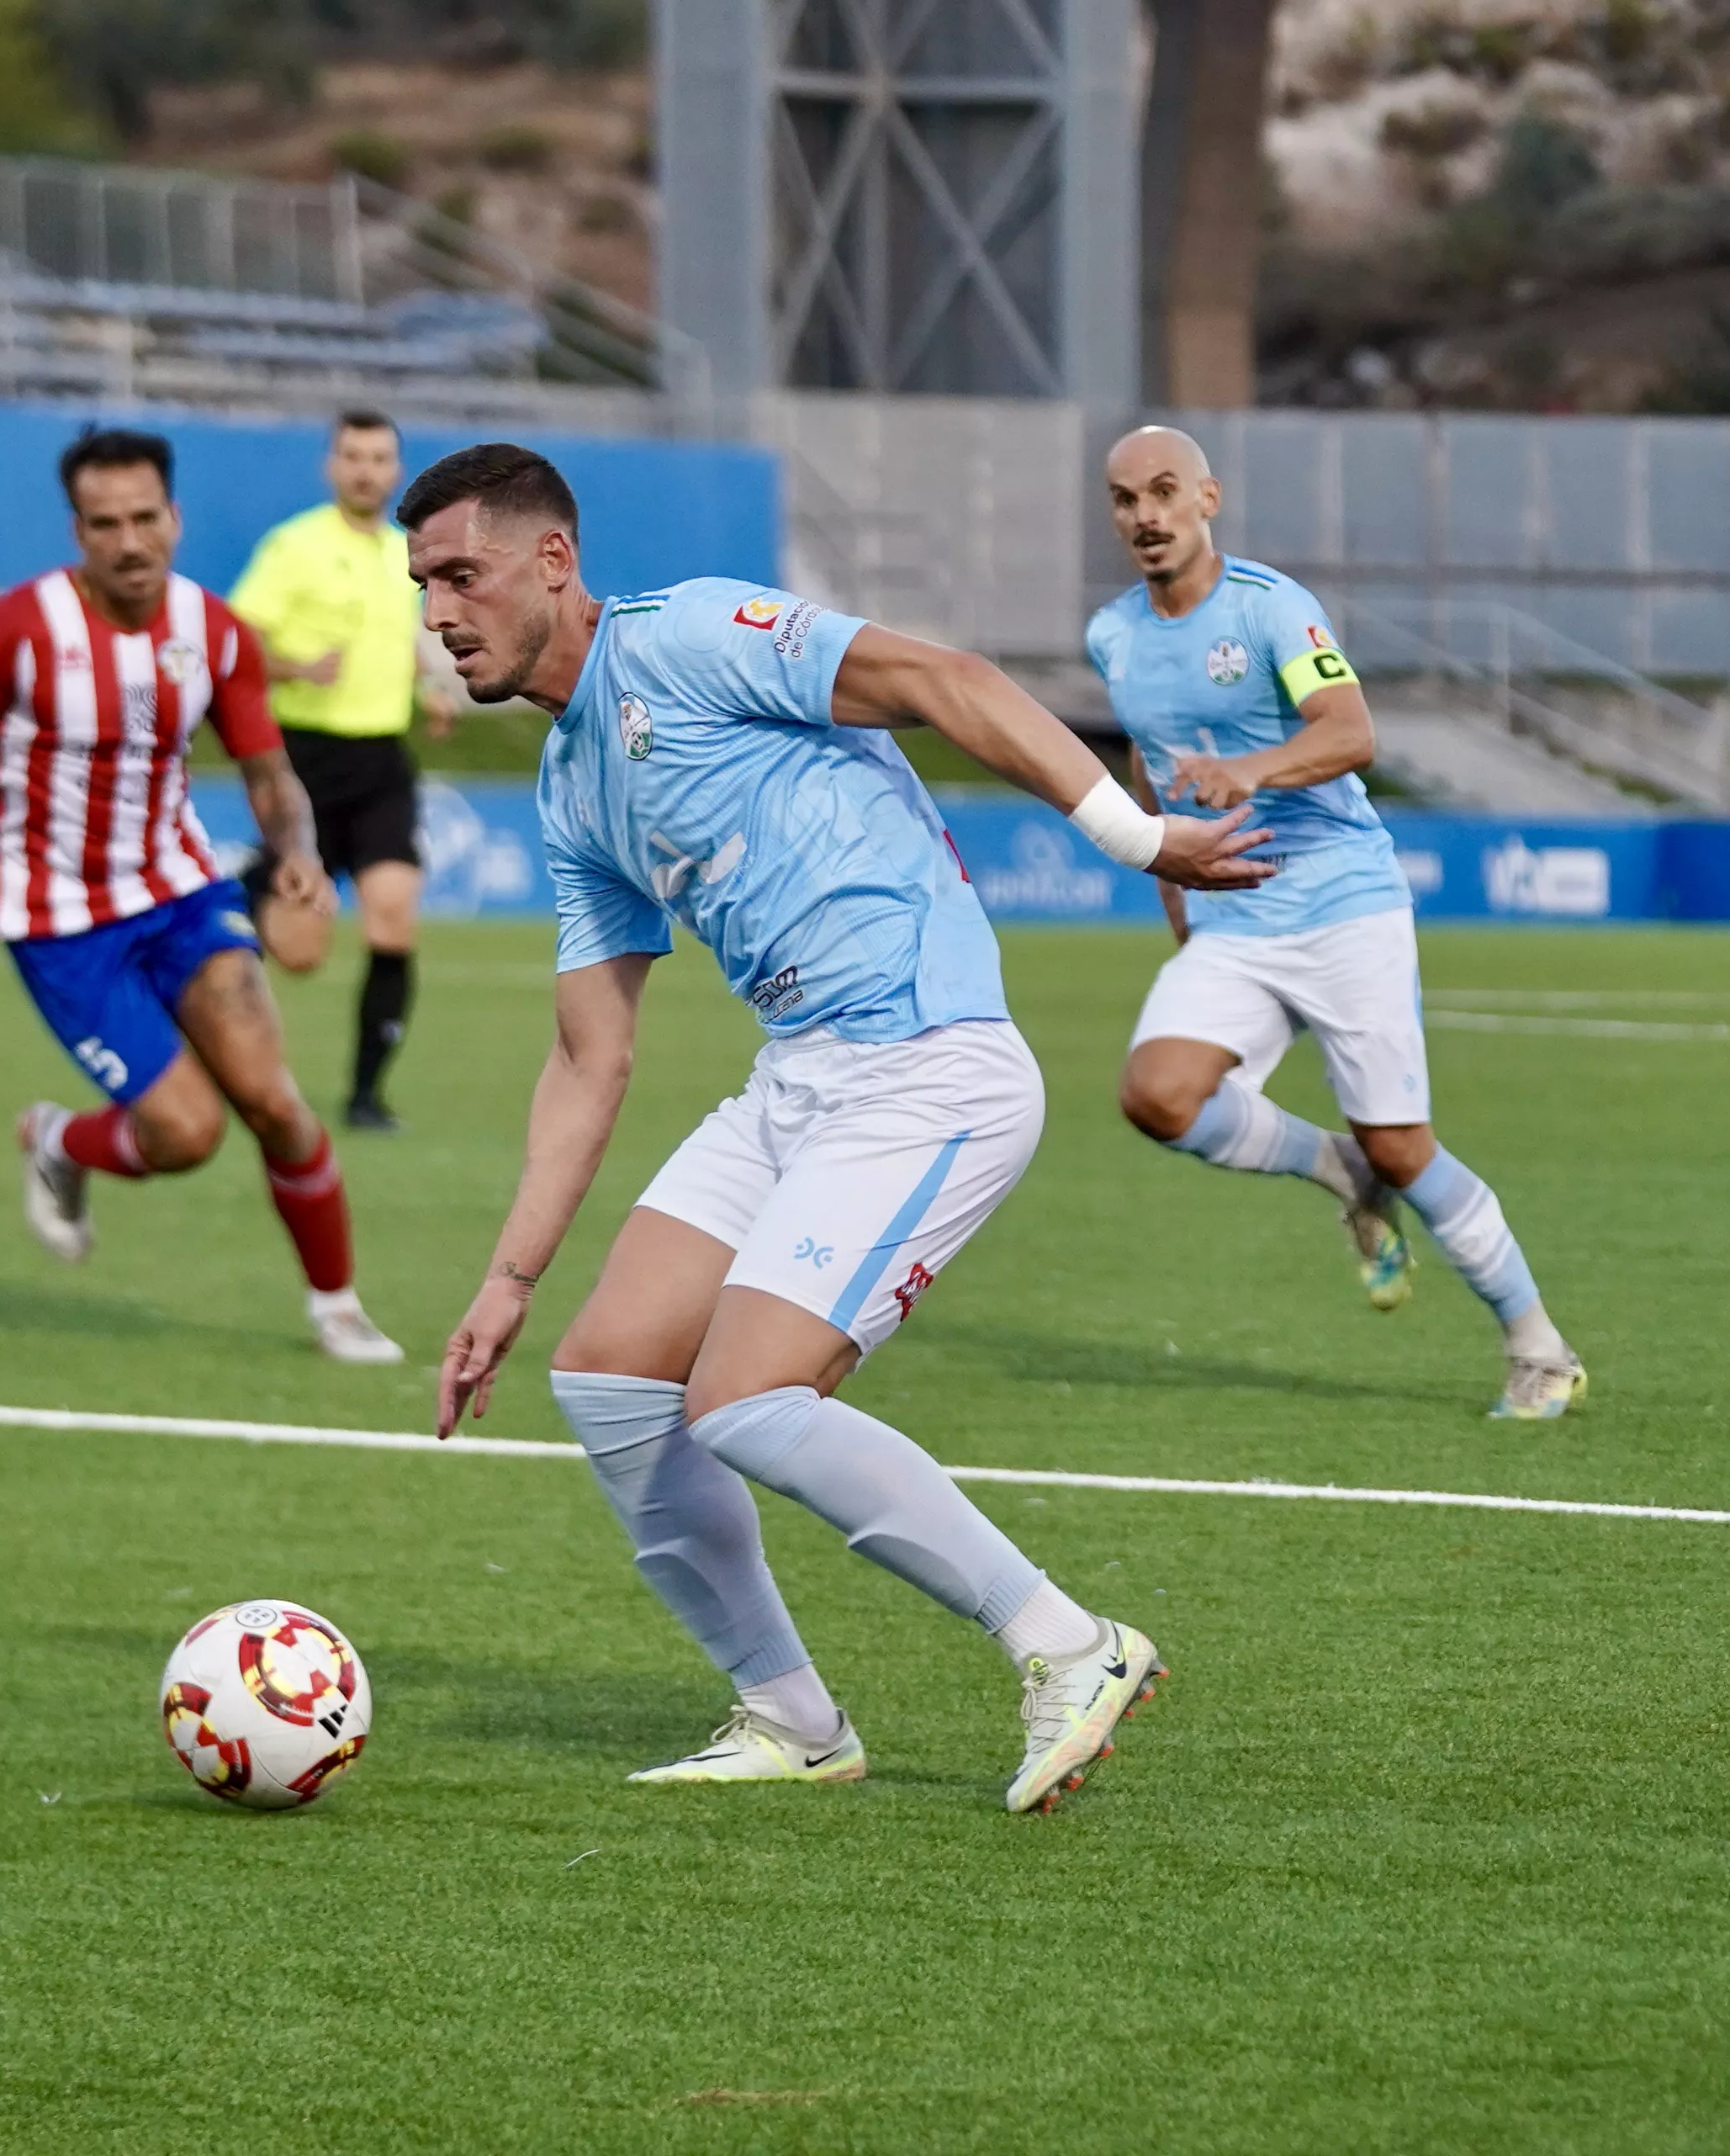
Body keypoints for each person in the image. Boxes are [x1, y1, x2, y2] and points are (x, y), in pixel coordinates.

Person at [417, 442, 1272, 1812]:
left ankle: (1069, 1640)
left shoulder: (692, 634)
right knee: (613, 1378)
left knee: (746, 1398)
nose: (441, 612)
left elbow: (948, 680)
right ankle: (790, 1715)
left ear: (553, 561)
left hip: (930, 1062)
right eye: (424, 586)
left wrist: (1142, 839)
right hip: (801, 1078)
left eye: (462, 573)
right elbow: (591, 1052)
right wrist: (508, 1279)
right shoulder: (571, 780)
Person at [1087, 426, 1583, 1422]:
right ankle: (1337, 1168)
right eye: (1125, 498)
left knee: (1405, 1145)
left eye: (1164, 492)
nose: (1145, 515)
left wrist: (1250, 771)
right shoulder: (1113, 636)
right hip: (1233, 913)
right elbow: (1148, 764)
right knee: (1158, 1095)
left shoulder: (1271, 609)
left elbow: (1352, 732)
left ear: (1207, 499)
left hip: (1342, 899)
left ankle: (1540, 1348)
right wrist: (1172, 886)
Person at [0, 426, 403, 1366]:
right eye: (105, 523)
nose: (129, 541)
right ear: (77, 530)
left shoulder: (214, 632)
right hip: (59, 921)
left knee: (276, 1103)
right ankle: (62, 1141)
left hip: (179, 891)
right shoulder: (24, 626)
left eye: (145, 518)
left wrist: (297, 847)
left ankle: (337, 1306)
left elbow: (268, 769)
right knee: (186, 1131)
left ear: (176, 517)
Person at [229, 409, 453, 1131]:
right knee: (296, 953)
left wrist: (429, 687)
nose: (365, 469)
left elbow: (403, 636)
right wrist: (296, 665)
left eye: (380, 458)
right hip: (304, 762)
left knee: (393, 920)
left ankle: (365, 1098)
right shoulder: (293, 547)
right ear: (332, 466)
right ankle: (238, 901)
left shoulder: (406, 554)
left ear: (397, 470)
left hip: (383, 761)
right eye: (352, 456)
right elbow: (234, 644)